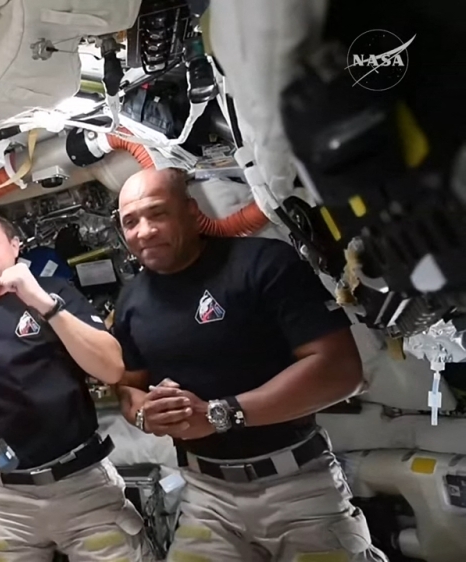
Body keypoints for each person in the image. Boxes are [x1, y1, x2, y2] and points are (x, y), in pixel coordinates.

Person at [111, 168, 388, 561]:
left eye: (157, 214)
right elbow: (126, 387)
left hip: (298, 488)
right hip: (207, 496)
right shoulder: (132, 301)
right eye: (131, 221)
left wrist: (219, 414)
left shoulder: (261, 263)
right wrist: (144, 415)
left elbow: (341, 370)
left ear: (191, 213)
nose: (144, 231)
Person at [0, 203, 144, 562]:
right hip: (6, 503)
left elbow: (111, 369)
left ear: (14, 246)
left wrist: (41, 302)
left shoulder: (56, 292)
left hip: (83, 487)